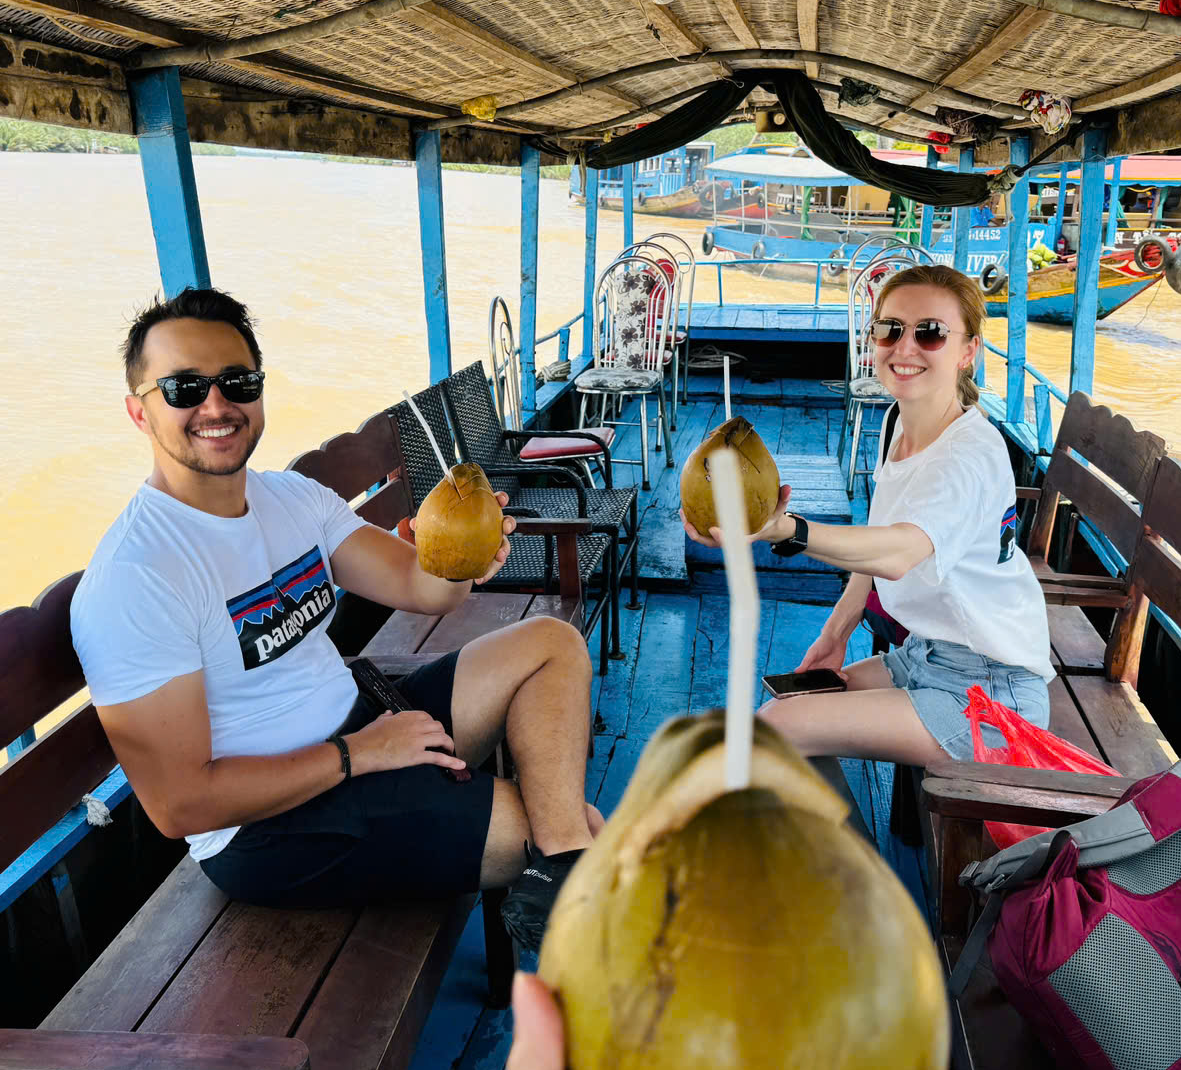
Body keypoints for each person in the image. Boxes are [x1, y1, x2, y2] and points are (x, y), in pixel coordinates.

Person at [70, 287, 601, 953]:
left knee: (551, 645)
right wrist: (360, 754)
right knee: (572, 825)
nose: (216, 404)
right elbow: (183, 806)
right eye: (184, 387)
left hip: (363, 724)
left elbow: (419, 586)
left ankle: (563, 882)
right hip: (271, 827)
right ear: (138, 411)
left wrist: (462, 552)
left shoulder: (291, 499)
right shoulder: (138, 577)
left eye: (237, 381)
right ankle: (576, 906)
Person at [683, 263, 1053, 768]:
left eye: (931, 333)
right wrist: (833, 635)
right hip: (929, 655)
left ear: (969, 353)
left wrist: (785, 530)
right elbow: (877, 545)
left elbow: (899, 552)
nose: (905, 347)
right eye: (890, 329)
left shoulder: (967, 456)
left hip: (993, 696)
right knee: (789, 706)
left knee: (772, 732)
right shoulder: (897, 422)